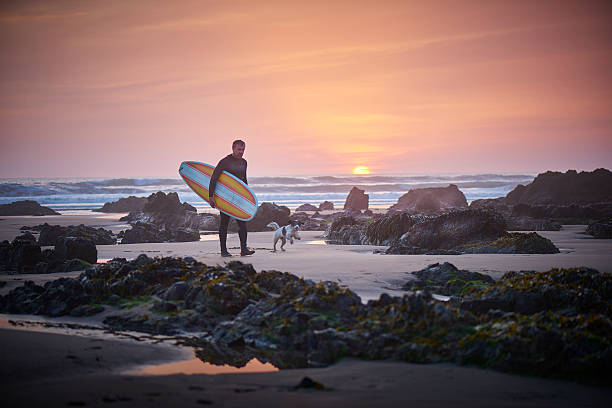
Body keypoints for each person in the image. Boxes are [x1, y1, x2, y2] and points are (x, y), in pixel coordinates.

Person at [209, 140, 255, 257]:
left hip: (239, 197)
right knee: (224, 223)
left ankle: (244, 249)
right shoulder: (224, 162)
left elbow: (244, 180)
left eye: (243, 150)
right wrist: (211, 196)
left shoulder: (244, 162)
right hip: (225, 198)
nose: (241, 152)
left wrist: (247, 196)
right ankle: (223, 251)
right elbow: (214, 178)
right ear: (233, 148)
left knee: (242, 223)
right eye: (239, 149)